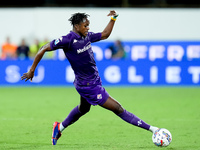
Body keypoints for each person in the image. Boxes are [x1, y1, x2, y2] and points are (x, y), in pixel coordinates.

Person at [21, 10, 159, 146]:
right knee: (118, 108)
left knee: (84, 109)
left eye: (88, 25)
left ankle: (59, 127)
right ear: (76, 26)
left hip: (92, 81)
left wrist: (113, 19)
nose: (88, 28)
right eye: (85, 26)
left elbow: (104, 35)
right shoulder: (67, 40)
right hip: (88, 86)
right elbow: (43, 48)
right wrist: (32, 70)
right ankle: (153, 129)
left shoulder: (86, 37)